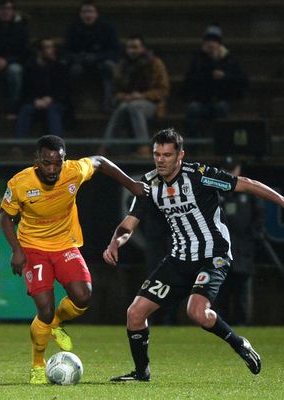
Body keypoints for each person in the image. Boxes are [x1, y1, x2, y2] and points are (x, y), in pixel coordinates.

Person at [102, 128, 284, 381]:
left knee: (196, 312)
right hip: (179, 258)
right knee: (135, 314)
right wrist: (115, 242)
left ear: (180, 155)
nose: (161, 160)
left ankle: (239, 343)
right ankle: (141, 372)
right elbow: (128, 225)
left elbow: (246, 185)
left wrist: (282, 201)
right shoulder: (149, 185)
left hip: (213, 255)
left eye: (167, 154)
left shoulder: (201, 176)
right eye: (157, 154)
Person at [0, 135, 148, 384]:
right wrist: (16, 250)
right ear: (37, 160)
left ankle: (57, 322)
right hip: (33, 247)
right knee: (44, 309)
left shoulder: (73, 171)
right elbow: (4, 217)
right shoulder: (20, 183)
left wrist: (132, 184)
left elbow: (99, 161)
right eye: (47, 163)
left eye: (58, 163)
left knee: (83, 296)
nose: (53, 169)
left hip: (65, 243)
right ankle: (37, 363)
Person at [100, 35, 170, 156]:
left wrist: (142, 96)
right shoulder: (122, 65)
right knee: (122, 107)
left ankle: (143, 147)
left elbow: (163, 90)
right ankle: (106, 147)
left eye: (135, 47)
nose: (132, 50)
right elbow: (116, 90)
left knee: (134, 106)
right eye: (129, 47)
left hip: (152, 104)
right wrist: (123, 96)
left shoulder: (155, 63)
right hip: (128, 102)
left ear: (142, 48)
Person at [214, 156, 263, 325]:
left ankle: (243, 327)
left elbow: (258, 220)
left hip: (243, 250)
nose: (229, 173)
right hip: (220, 251)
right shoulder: (215, 192)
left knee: (242, 292)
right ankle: (220, 326)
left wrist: (252, 238)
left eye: (232, 169)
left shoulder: (248, 194)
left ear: (238, 170)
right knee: (221, 292)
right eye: (226, 169)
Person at [182, 25, 249, 136]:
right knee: (193, 109)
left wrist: (225, 77)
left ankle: (222, 144)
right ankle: (192, 145)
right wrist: (207, 66)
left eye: (214, 41)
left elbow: (243, 81)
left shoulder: (230, 60)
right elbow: (189, 82)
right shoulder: (198, 60)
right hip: (202, 102)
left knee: (221, 108)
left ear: (219, 43)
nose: (211, 44)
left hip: (224, 100)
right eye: (208, 40)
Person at [64, 1, 120, 113]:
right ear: (80, 14)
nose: (87, 15)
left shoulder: (107, 28)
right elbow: (65, 51)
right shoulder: (74, 28)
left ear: (96, 14)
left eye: (90, 12)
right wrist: (77, 58)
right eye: (84, 12)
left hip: (100, 63)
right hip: (80, 64)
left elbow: (116, 51)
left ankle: (109, 103)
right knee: (69, 69)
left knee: (109, 67)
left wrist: (97, 57)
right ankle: (71, 105)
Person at [16, 38, 68, 139]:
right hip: (35, 102)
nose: (52, 50)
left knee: (53, 111)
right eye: (48, 47)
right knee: (26, 109)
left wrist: (51, 99)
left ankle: (57, 148)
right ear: (39, 51)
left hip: (55, 102)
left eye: (53, 47)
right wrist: (35, 100)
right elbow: (25, 91)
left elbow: (64, 91)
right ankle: (18, 145)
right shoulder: (30, 68)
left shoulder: (60, 67)